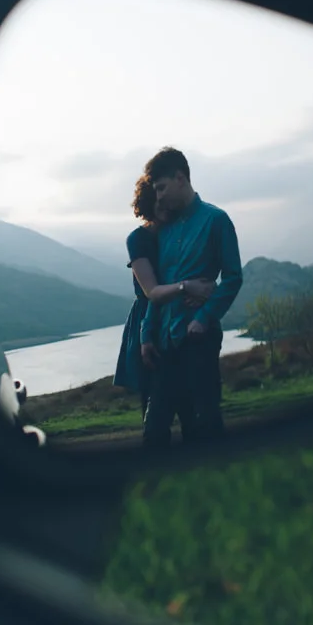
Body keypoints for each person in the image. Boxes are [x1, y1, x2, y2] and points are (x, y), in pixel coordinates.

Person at [139, 147, 243, 448]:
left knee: (204, 425)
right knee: (153, 430)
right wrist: (147, 335)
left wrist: (203, 319)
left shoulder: (217, 220)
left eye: (161, 188)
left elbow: (233, 277)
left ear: (181, 178)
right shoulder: (165, 232)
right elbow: (157, 289)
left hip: (199, 340)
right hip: (164, 345)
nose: (157, 197)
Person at [114, 175, 213, 438]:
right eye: (159, 206)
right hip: (150, 322)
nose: (166, 212)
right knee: (156, 408)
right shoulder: (138, 239)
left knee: (192, 407)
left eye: (168, 206)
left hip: (181, 320)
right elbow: (151, 292)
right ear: (148, 205)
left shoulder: (179, 233)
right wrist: (186, 287)